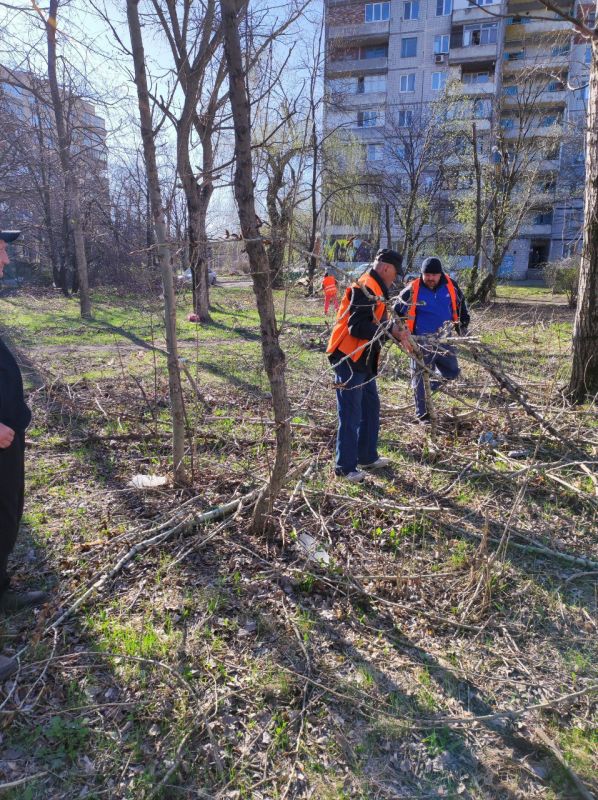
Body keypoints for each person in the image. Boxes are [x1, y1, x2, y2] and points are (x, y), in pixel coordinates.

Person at [0, 230, 47, 680]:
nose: (7, 255)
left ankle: (1, 591)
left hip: (8, 442)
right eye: (1, 246)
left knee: (7, 516)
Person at [326, 248, 409, 482]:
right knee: (351, 413)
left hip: (364, 357)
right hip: (348, 356)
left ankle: (366, 456)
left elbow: (376, 320)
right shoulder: (364, 286)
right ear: (385, 268)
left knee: (371, 407)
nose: (396, 277)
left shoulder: (378, 288)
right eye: (395, 272)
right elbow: (356, 327)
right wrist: (388, 330)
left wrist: (395, 328)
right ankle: (344, 467)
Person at [395, 256, 470, 422]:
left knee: (451, 371)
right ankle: (422, 414)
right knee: (420, 376)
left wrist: (463, 326)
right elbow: (395, 313)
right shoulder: (411, 289)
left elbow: (461, 306)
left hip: (445, 339)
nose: (430, 278)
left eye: (433, 275)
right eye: (426, 274)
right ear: (421, 273)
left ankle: (428, 387)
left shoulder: (451, 285)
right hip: (420, 341)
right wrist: (401, 334)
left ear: (440, 274)